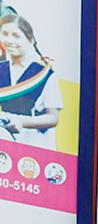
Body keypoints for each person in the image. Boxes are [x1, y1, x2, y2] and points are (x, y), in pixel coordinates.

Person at [0, 12, 62, 145]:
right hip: (5, 140)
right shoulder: (1, 68)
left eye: (16, 36)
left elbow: (53, 117)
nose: (9, 41)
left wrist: (21, 122)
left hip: (35, 142)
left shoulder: (45, 74)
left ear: (30, 40)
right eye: (5, 34)